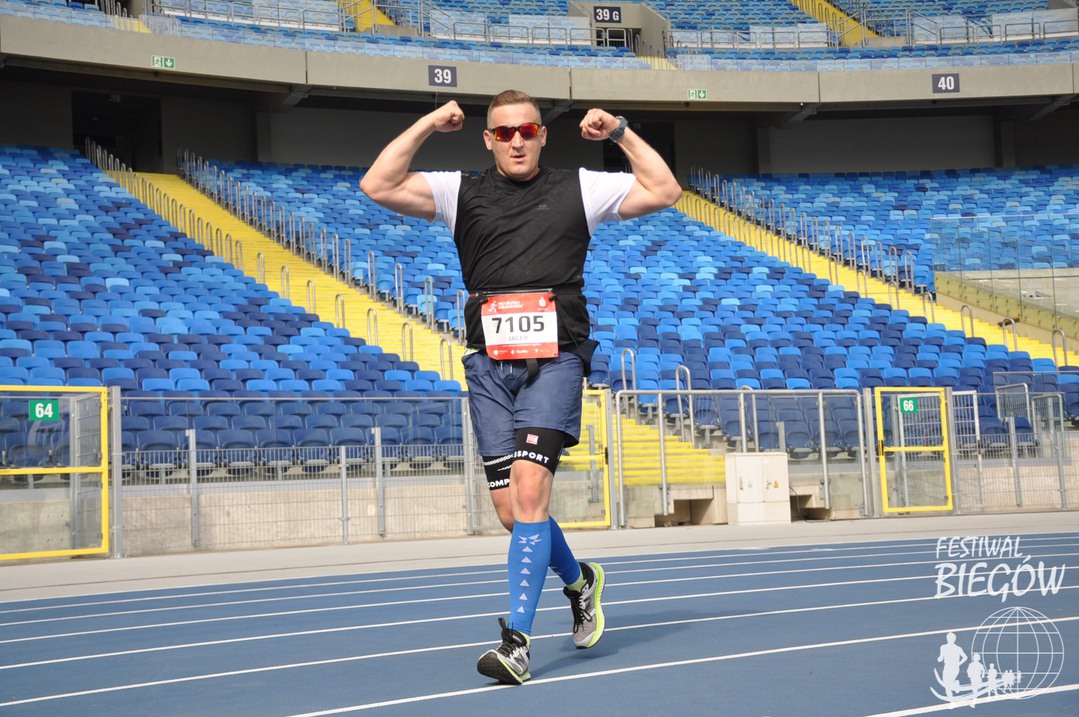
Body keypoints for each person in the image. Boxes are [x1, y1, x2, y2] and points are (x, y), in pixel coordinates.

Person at [360, 89, 681, 685]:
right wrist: (430, 122)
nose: (516, 141)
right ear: (488, 139)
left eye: (527, 130)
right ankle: (581, 582)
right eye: (504, 132)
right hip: (488, 366)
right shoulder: (460, 192)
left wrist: (619, 132)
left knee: (531, 497)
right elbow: (377, 184)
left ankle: (517, 643)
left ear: (542, 135)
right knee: (513, 514)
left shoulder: (579, 187)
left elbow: (664, 189)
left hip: (555, 361)